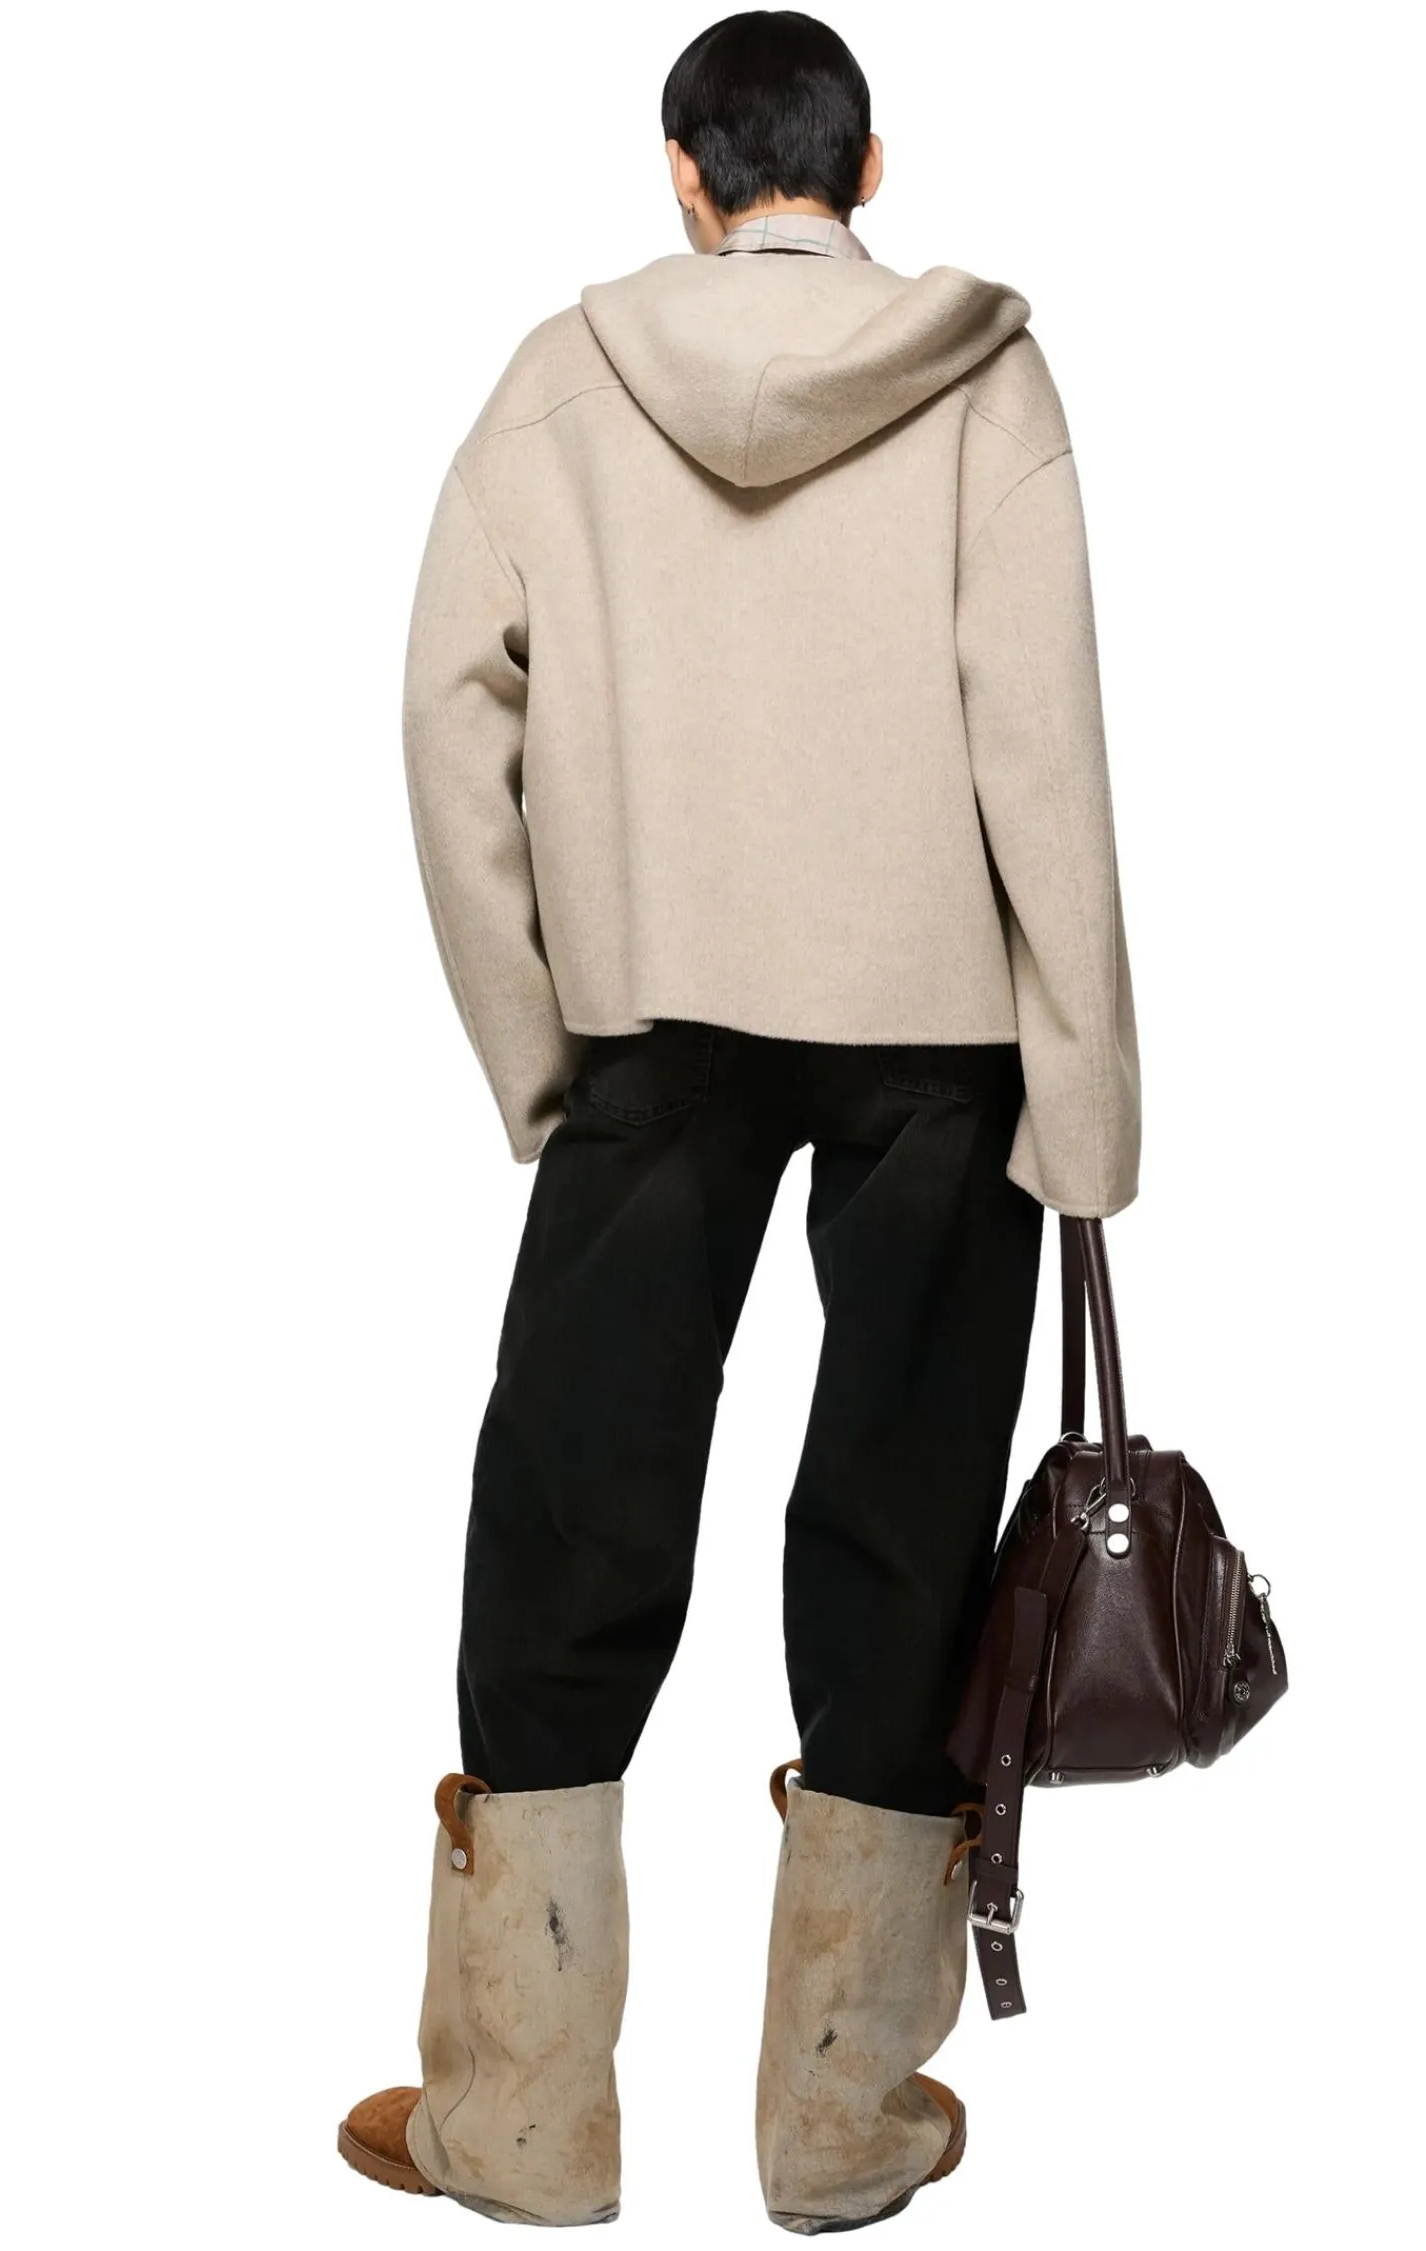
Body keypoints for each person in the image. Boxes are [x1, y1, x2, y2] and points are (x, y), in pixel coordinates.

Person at [337, 8, 1139, 2232]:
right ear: (868, 165)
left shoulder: (561, 382)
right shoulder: (986, 382)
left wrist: (538, 1041)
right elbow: (1048, 749)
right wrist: (1084, 1105)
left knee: (569, 1512)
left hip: (655, 1025)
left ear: (682, 173)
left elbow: (446, 720)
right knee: (904, 1517)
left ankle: (521, 2116)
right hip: (940, 1038)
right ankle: (841, 2120)